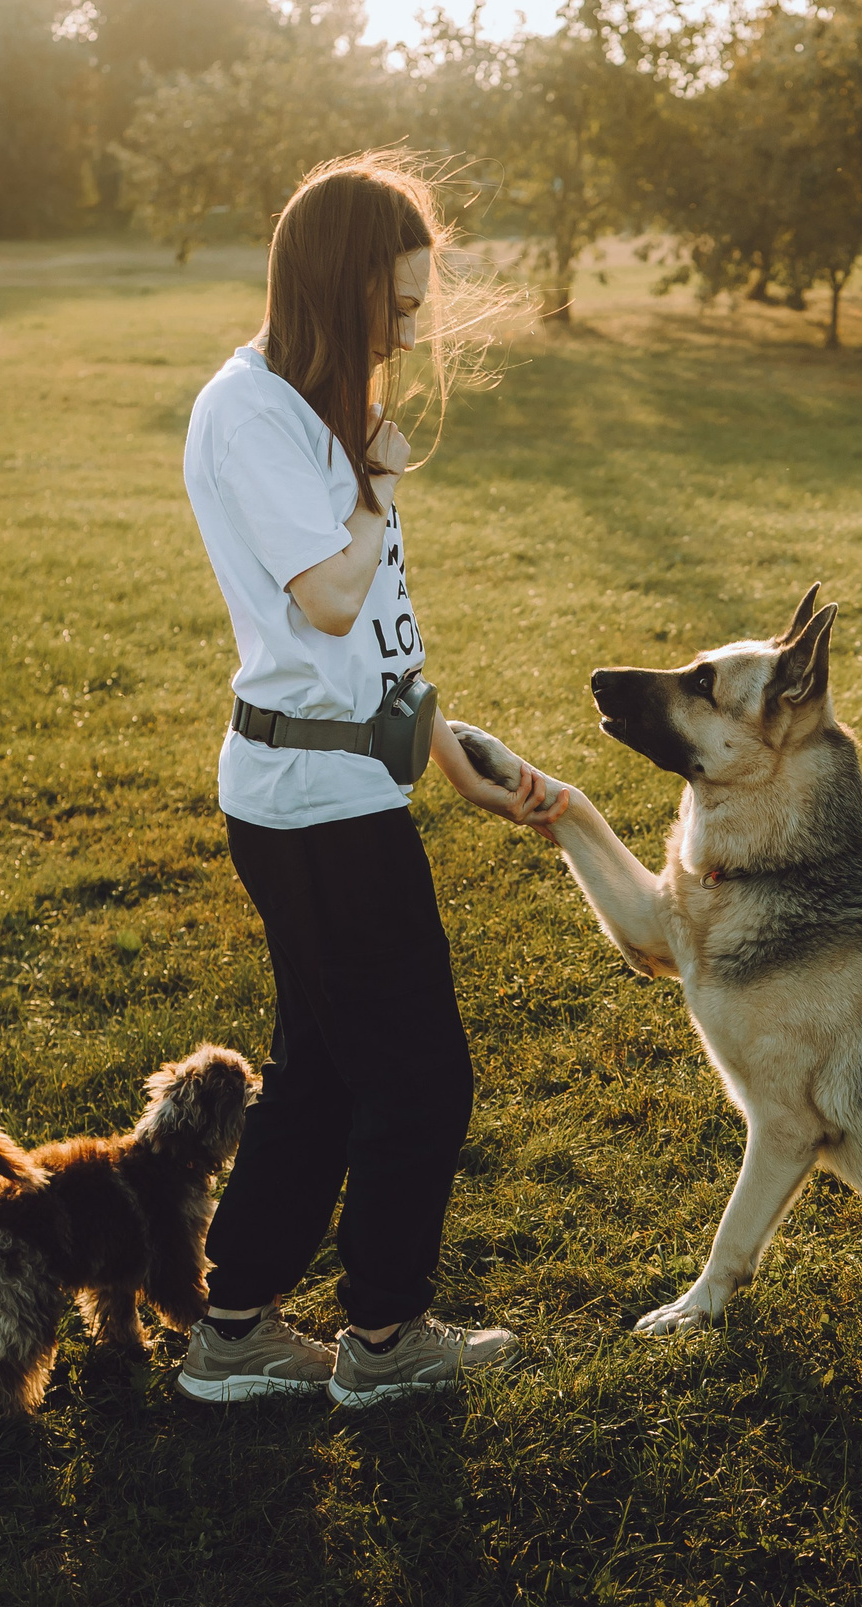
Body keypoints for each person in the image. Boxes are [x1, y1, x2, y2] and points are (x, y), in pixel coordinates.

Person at [172, 153, 564, 1408]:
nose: (414, 326)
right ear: (340, 289)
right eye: (398, 305)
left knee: (331, 1069)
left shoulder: (321, 409)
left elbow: (383, 636)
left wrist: (451, 759)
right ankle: (386, 1343)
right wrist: (381, 483)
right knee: (420, 1077)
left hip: (341, 785)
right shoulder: (253, 416)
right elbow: (331, 599)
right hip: (314, 811)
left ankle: (233, 1330)